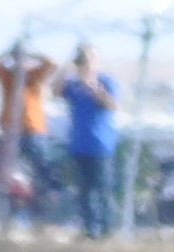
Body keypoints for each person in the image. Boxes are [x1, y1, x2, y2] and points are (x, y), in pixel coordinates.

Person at [59, 44, 120, 239]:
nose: (83, 66)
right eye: (80, 62)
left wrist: (94, 87)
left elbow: (112, 105)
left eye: (86, 62)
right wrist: (66, 69)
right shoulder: (74, 85)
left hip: (100, 144)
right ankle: (89, 228)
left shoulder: (106, 81)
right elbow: (55, 90)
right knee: (84, 190)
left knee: (101, 188)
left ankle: (105, 227)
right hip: (79, 143)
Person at [0, 45, 58, 197]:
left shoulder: (34, 75)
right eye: (17, 59)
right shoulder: (7, 76)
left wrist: (32, 54)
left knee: (40, 164)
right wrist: (8, 52)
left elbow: (52, 63)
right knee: (9, 167)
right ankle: (13, 197)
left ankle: (47, 194)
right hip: (12, 130)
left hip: (33, 129)